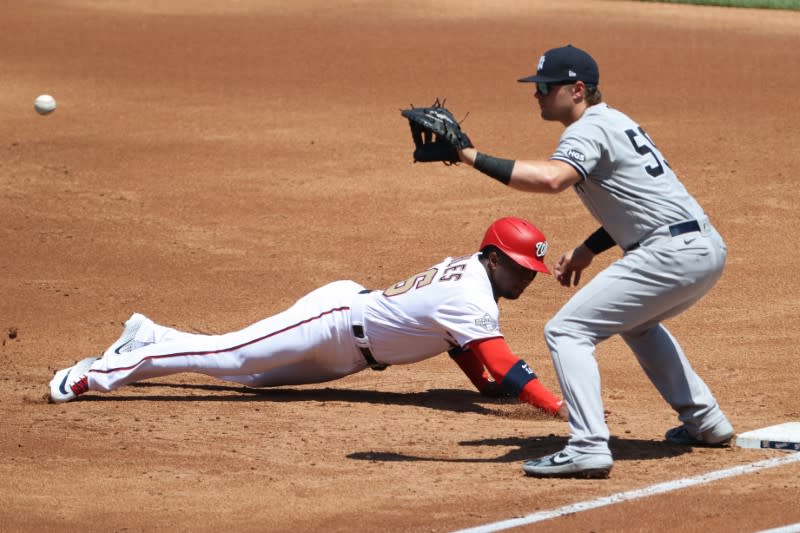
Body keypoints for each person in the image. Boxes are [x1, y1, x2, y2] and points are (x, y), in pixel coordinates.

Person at [453, 45, 733, 479]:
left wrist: (470, 156)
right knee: (637, 324)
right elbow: (638, 200)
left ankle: (586, 445)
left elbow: (552, 180)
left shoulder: (585, 130)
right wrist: (588, 249)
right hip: (701, 248)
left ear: (577, 90)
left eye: (546, 86)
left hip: (667, 252)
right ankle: (707, 422)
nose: (538, 94)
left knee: (567, 330)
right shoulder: (616, 121)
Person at [48, 217, 567, 421]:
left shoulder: (474, 278)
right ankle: (94, 375)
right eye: (523, 267)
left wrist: (487, 387)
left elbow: (465, 348)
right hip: (333, 320)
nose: (529, 278)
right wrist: (555, 405)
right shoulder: (474, 294)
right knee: (232, 354)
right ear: (495, 258)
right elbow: (499, 358)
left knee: (247, 375)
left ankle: (150, 336)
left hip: (349, 353)